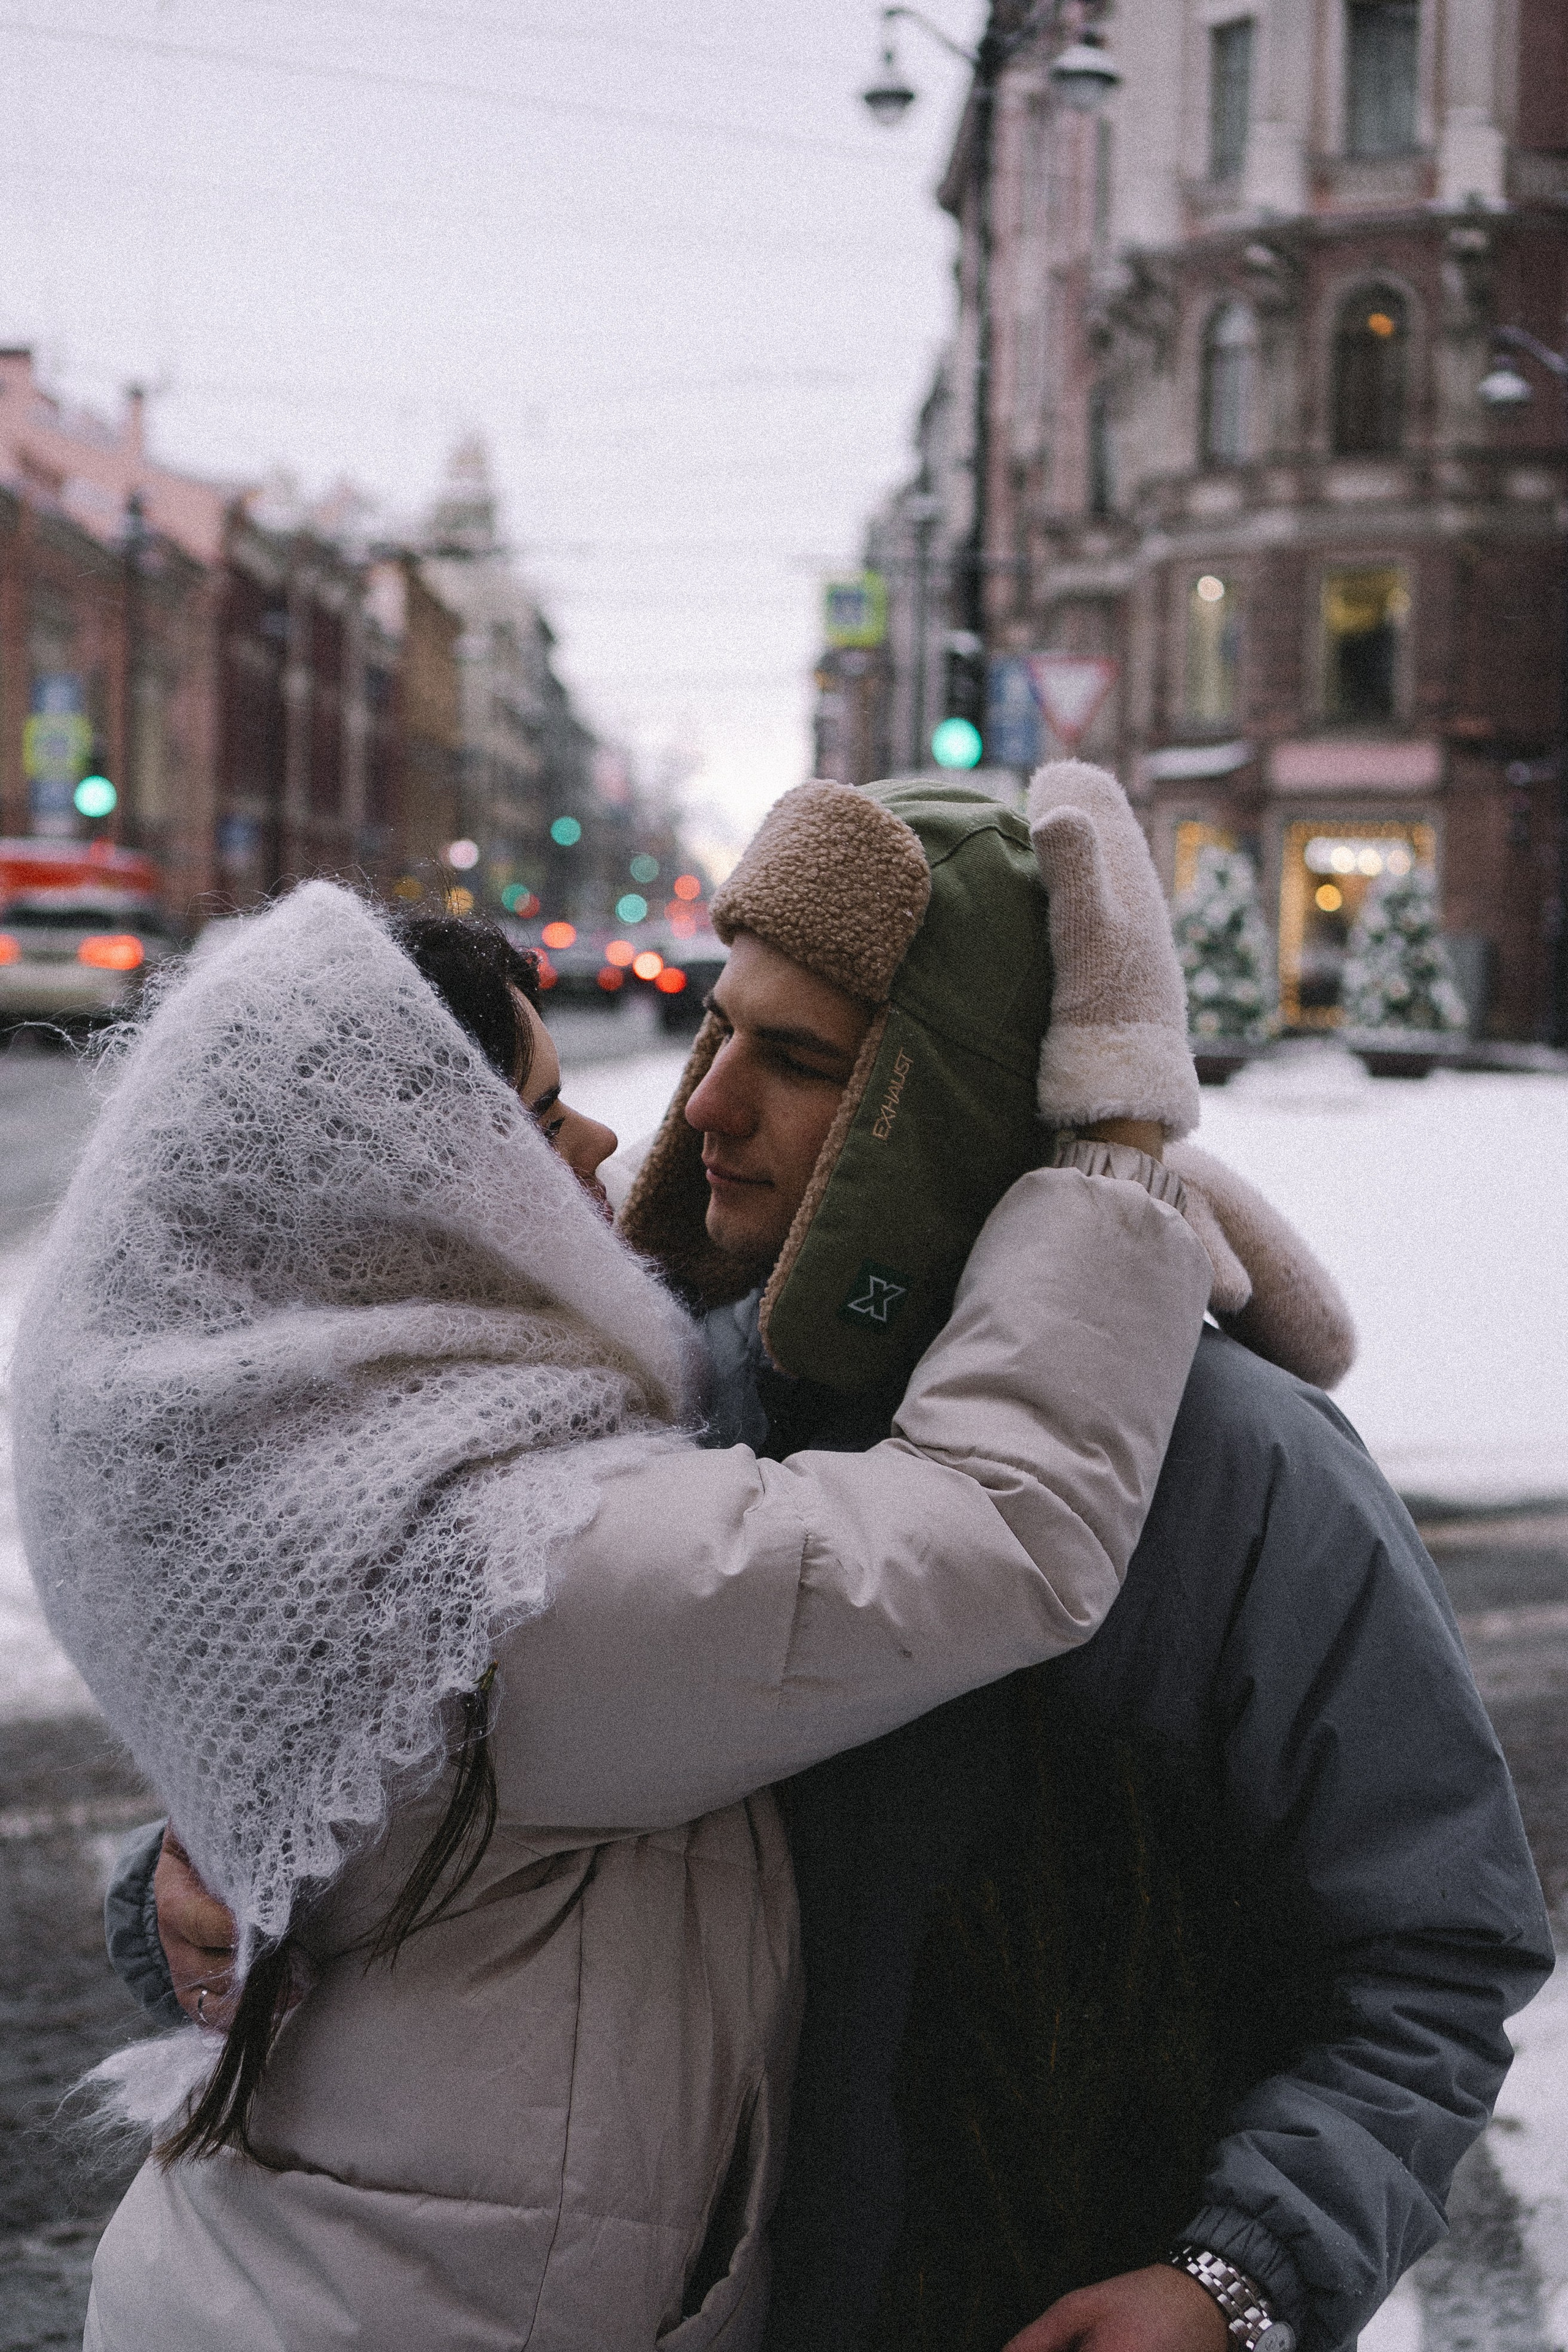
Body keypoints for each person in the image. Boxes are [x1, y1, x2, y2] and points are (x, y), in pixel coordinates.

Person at [117, 771, 1553, 2352]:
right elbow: (440, 1797)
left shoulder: (1237, 1469)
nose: (705, 1104)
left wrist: (1240, 2277)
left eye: (796, 1061)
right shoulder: (666, 1404)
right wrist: (203, 1860)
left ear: (947, 1105)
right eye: (718, 1032)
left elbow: (1433, 1945)